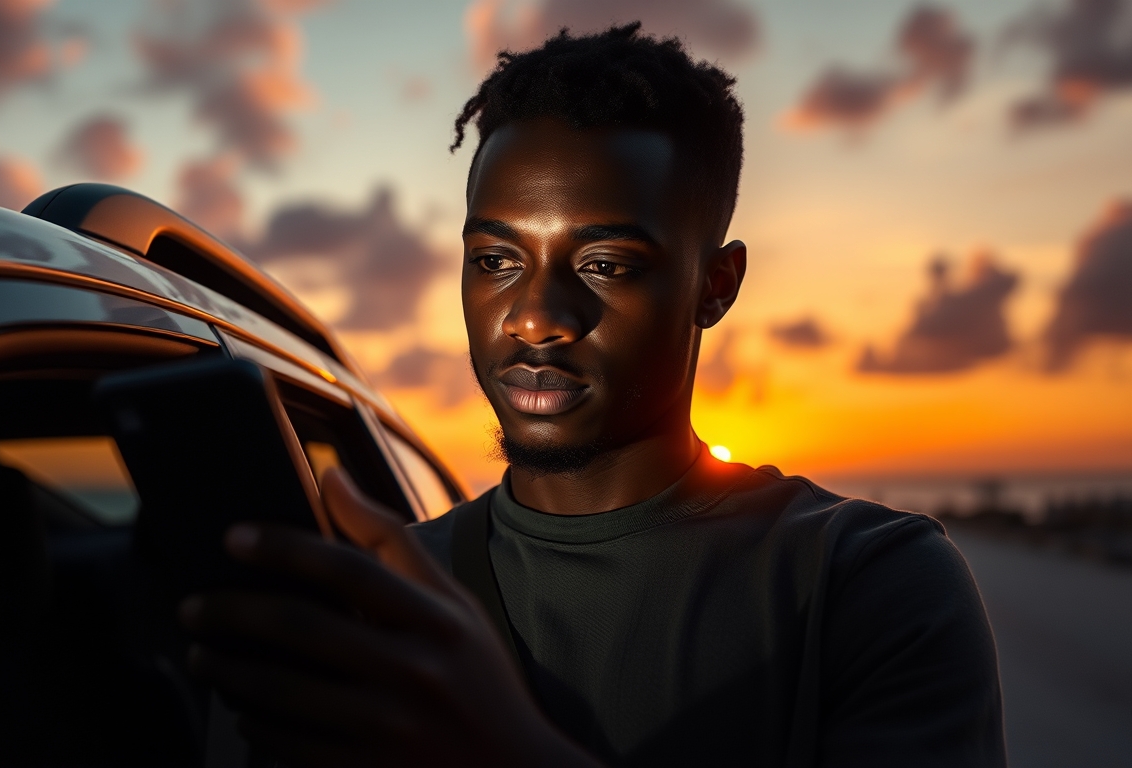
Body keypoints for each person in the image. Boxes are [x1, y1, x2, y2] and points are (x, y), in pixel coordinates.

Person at [181, 23, 1006, 767]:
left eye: (605, 265)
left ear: (714, 287)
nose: (535, 317)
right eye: (496, 260)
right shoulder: (366, 615)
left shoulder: (868, 586)